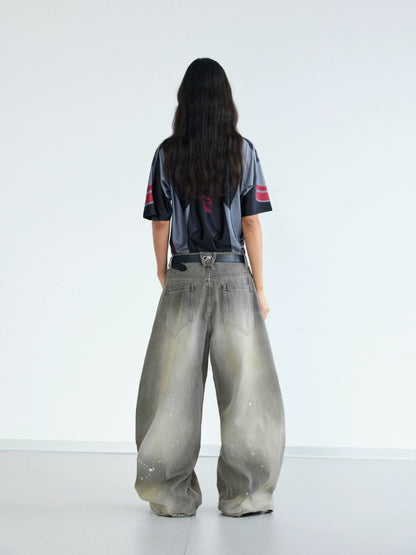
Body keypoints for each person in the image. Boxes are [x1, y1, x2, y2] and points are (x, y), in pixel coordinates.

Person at [134, 58, 286, 518]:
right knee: (246, 388)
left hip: (183, 275)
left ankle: (168, 494)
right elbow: (251, 224)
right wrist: (260, 287)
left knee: (171, 390)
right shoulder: (244, 151)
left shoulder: (167, 153)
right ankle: (246, 495)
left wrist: (163, 272)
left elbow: (160, 222)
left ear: (185, 99)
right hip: (233, 275)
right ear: (225, 100)